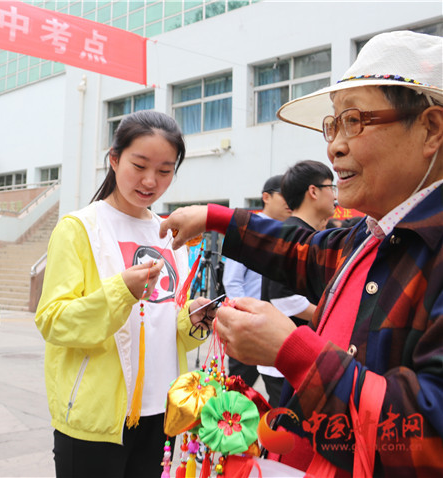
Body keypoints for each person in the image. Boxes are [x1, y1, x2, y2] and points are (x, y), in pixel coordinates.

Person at [160, 31, 443, 476]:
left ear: (430, 128)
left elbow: (426, 436)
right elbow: (298, 249)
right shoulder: (369, 237)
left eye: (355, 121)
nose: (334, 146)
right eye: (334, 125)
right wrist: (215, 218)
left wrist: (292, 351)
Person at [35, 110, 214, 478]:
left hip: (161, 413)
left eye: (165, 170)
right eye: (140, 164)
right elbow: (53, 321)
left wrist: (191, 319)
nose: (150, 180)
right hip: (96, 419)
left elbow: (166, 328)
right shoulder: (79, 228)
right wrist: (121, 292)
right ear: (114, 159)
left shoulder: (170, 234)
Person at [259, 160, 336, 407]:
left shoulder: (304, 234)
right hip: (286, 357)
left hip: (294, 354)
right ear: (313, 191)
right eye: (331, 187)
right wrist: (330, 315)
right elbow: (283, 299)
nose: (335, 195)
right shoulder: (293, 235)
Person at [222, 174, 290, 391]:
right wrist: (246, 316)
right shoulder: (249, 230)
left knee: (278, 391)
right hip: (250, 323)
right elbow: (232, 281)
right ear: (266, 197)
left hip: (278, 325)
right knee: (238, 389)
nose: (290, 201)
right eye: (284, 195)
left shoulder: (289, 233)